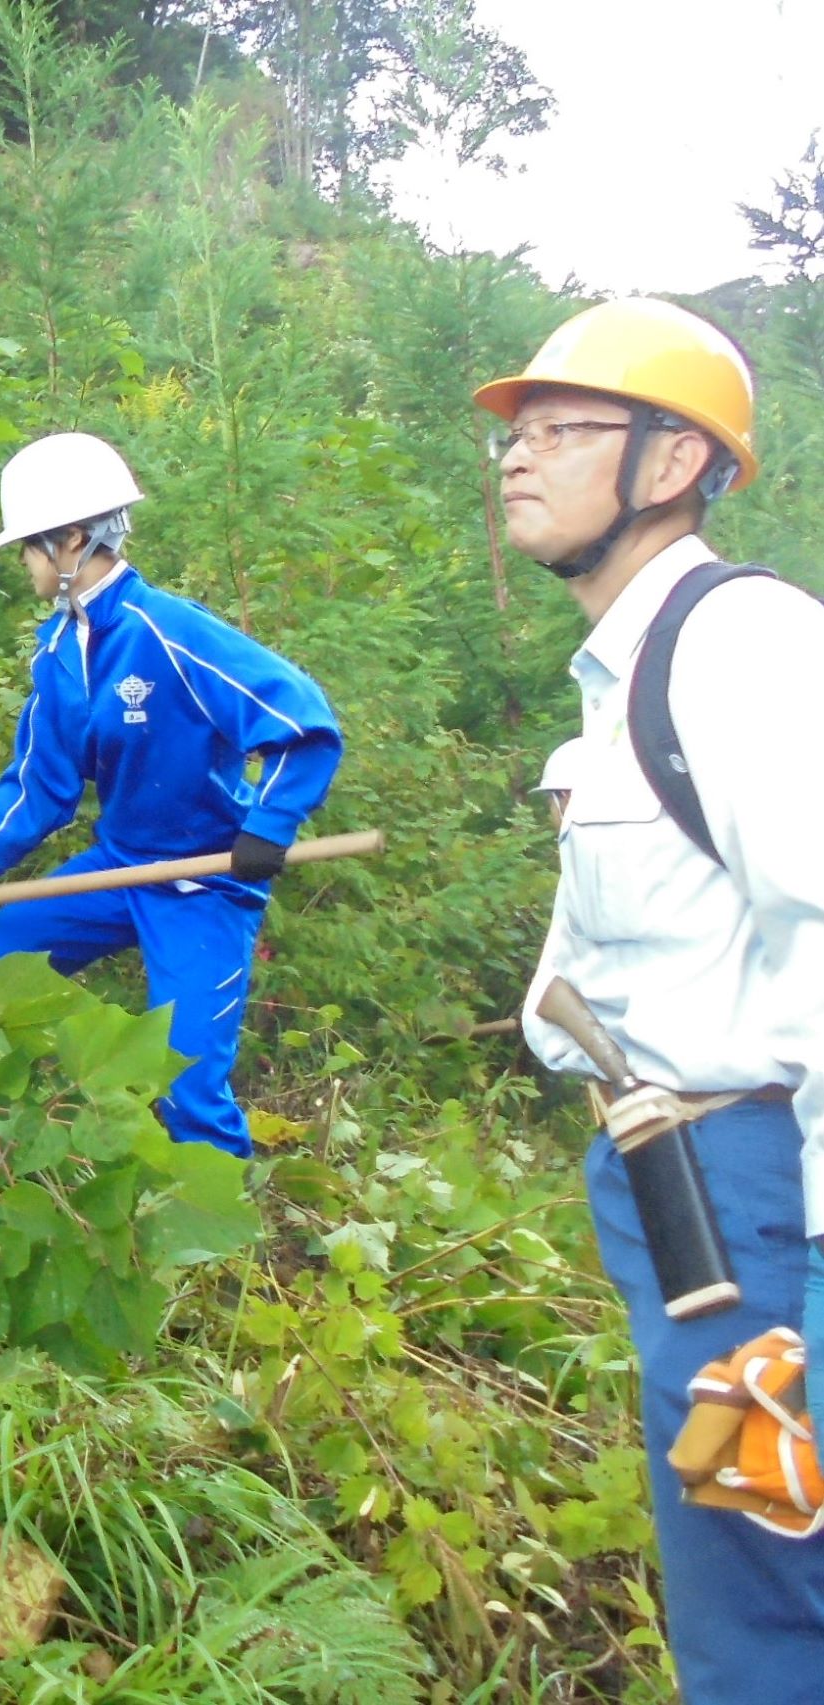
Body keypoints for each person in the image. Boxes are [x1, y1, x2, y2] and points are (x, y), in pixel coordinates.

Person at [480, 295, 824, 1697]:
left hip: (759, 1206)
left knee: (770, 1567)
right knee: (738, 1540)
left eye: (564, 429)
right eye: (515, 432)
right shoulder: (620, 674)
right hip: (677, 1198)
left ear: (672, 463)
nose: (517, 455)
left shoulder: (743, 648)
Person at [0, 432, 342, 1156]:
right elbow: (38, 781)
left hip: (204, 881)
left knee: (184, 1079)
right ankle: (72, 1108)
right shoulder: (58, 654)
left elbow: (302, 720)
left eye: (27, 546)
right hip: (119, 866)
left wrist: (268, 825)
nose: (23, 561)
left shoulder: (170, 633)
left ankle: (217, 1244)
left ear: (71, 541)